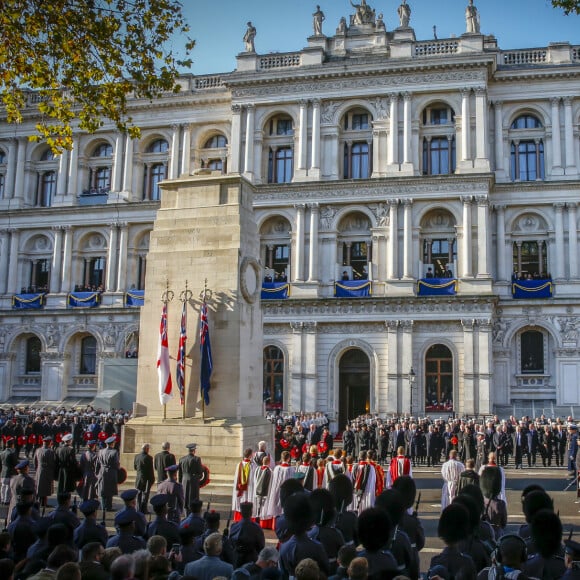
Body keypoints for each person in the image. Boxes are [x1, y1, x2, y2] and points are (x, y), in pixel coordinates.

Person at [96, 435, 120, 512]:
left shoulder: (100, 451)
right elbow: (116, 464)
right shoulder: (114, 452)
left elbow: (98, 463)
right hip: (111, 471)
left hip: (102, 471)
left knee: (103, 489)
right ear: (112, 443)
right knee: (110, 489)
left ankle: (103, 506)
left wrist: (97, 472)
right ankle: (108, 507)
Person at [232, 448, 255, 521]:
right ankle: (249, 516)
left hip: (241, 487)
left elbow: (236, 478)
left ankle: (239, 517)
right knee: (248, 500)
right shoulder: (253, 465)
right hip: (249, 487)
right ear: (250, 455)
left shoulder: (239, 464)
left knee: (241, 500)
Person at [179, 443, 203, 512]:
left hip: (184, 480)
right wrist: (197, 478)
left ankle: (186, 511)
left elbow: (180, 474)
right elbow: (200, 473)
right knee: (193, 497)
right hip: (193, 481)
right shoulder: (197, 459)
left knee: (185, 497)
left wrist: (181, 482)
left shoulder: (182, 459)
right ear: (194, 450)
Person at [34, 435, 56, 509]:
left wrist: (37, 469)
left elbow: (35, 461)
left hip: (39, 470)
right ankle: (43, 503)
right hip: (47, 471)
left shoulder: (38, 450)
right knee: (45, 488)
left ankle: (39, 502)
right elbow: (52, 463)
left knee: (39, 487)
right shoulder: (50, 451)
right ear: (49, 443)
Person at [134, 443, 155, 513]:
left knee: (139, 494)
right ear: (147, 449)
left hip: (138, 477)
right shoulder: (149, 458)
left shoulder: (137, 456)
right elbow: (150, 470)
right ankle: (144, 509)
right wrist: (152, 479)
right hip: (146, 478)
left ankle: (138, 508)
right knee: (145, 495)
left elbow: (135, 467)